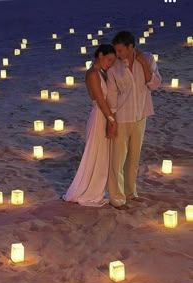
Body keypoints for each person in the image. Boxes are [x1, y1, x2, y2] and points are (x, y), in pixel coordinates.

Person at [107, 31, 162, 210]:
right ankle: (117, 198)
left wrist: (143, 64)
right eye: (116, 50)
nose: (118, 54)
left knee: (134, 159)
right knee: (117, 160)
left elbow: (154, 84)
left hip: (140, 116)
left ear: (131, 47)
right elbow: (112, 94)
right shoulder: (114, 66)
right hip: (121, 118)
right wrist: (111, 120)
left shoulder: (147, 58)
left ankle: (131, 193)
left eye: (121, 50)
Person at [63, 44, 116, 207]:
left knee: (101, 155)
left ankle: (96, 189)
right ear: (100, 55)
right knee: (95, 153)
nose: (110, 63)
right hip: (100, 116)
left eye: (112, 61)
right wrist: (110, 120)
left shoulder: (102, 73)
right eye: (108, 59)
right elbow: (100, 99)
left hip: (104, 115)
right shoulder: (93, 74)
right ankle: (88, 191)